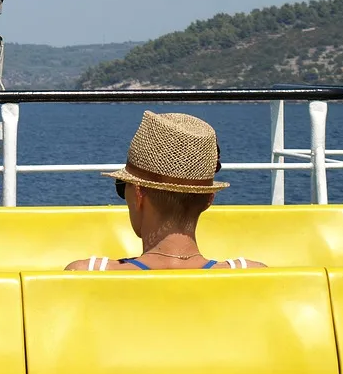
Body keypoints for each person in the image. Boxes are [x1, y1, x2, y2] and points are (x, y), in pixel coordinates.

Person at [65, 111, 266, 271]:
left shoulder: (85, 272)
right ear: (209, 199)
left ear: (138, 194)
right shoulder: (254, 273)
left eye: (121, 186)